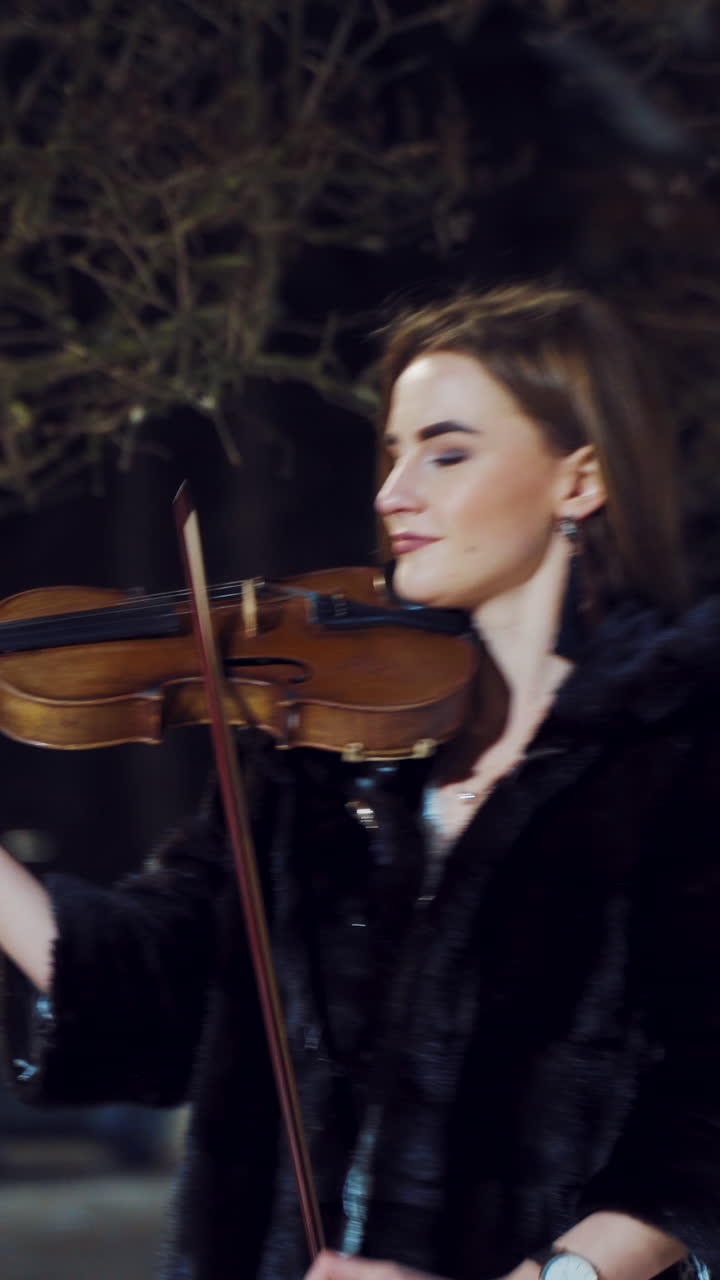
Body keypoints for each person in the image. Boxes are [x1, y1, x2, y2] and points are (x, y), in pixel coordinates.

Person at [1, 281, 720, 1280]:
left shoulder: (682, 746)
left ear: (580, 479)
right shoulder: (314, 744)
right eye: (392, 452)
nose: (392, 494)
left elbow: (706, 1112)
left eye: (447, 452)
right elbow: (155, 990)